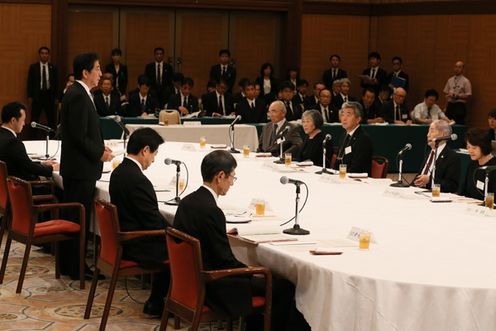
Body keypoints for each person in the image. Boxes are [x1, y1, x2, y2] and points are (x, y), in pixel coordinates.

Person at [173, 150, 310, 331]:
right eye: (232, 177)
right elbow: (224, 260)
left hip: (189, 280)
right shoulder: (212, 211)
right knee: (283, 286)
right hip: (214, 285)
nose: (232, 183)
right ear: (220, 176)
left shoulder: (188, 201)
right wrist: (253, 271)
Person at [59, 52, 114, 280]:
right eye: (98, 69)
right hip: (80, 170)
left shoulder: (80, 93)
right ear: (85, 72)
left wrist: (101, 147)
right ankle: (75, 266)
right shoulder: (79, 95)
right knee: (76, 218)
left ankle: (71, 264)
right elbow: (79, 136)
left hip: (79, 168)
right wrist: (100, 153)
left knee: (75, 217)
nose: (101, 73)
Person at [109, 128, 169, 316]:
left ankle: (158, 300)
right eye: (154, 154)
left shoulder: (118, 171)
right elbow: (153, 222)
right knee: (186, 249)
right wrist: (177, 232)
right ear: (145, 150)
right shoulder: (138, 180)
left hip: (125, 238)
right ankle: (159, 302)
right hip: (137, 244)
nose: (153, 160)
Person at [0, 101, 58, 181]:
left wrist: (41, 163)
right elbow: (29, 167)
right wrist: (51, 168)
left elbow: (22, 163)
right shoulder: (13, 142)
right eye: (23, 120)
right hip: (19, 187)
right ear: (13, 120)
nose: (24, 124)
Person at [413, 120, 460, 193]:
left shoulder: (452, 156)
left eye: (432, 131)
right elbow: (419, 176)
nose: (428, 135)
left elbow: (452, 186)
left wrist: (430, 180)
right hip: (419, 192)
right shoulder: (429, 153)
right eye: (428, 131)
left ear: (443, 134)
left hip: (436, 195)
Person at [334, 102, 373, 175]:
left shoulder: (363, 139)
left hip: (357, 180)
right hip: (343, 177)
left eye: (348, 115)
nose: (344, 119)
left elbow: (357, 167)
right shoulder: (344, 136)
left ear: (358, 119)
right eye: (342, 115)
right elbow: (339, 160)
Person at [27, 46, 59, 131]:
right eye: (42, 53)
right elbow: (30, 82)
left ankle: (52, 138)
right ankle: (32, 138)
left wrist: (56, 97)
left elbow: (56, 83)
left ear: (49, 55)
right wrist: (29, 96)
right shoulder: (33, 67)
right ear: (39, 55)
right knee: (34, 118)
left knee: (51, 119)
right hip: (37, 96)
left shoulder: (53, 67)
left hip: (50, 96)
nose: (44, 55)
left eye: (46, 53)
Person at [459, 128, 496, 200]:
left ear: (484, 146)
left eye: (474, 148)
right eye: (468, 147)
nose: (470, 151)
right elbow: (463, 191)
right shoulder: (472, 165)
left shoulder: (494, 167)